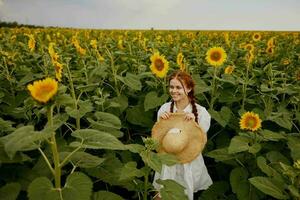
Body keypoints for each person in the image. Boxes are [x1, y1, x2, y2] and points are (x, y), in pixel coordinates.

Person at [152, 70, 212, 200]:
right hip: (167, 159)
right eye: (171, 87)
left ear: (189, 88)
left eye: (178, 87)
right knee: (164, 192)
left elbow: (200, 141)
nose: (174, 91)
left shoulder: (201, 113)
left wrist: (193, 124)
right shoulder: (164, 109)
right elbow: (158, 139)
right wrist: (163, 122)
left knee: (185, 191)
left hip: (189, 161)